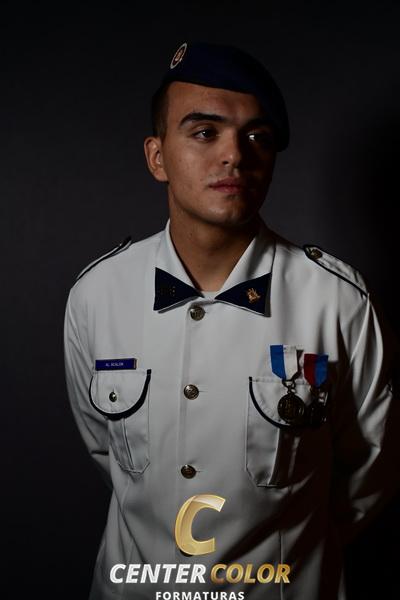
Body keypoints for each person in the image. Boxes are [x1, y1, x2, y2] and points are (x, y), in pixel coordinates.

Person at [64, 41, 400, 600]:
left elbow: (369, 475)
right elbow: (108, 455)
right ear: (157, 157)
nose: (234, 156)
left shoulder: (338, 302)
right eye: (204, 132)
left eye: (257, 138)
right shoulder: (96, 295)